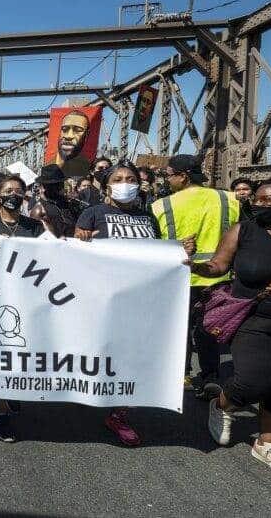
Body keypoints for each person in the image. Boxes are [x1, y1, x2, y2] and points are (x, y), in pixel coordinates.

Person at [76, 161, 195, 446]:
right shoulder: (93, 213)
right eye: (118, 179)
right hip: (104, 298)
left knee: (135, 354)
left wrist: (178, 251)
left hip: (141, 299)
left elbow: (155, 253)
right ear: (107, 185)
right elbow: (75, 254)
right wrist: (80, 238)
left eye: (131, 179)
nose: (125, 184)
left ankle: (119, 413)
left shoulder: (147, 217)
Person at [187, 177, 271, 481]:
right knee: (253, 381)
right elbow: (218, 266)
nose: (259, 204)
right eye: (257, 198)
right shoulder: (243, 230)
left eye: (268, 200)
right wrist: (194, 264)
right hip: (250, 319)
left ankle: (268, 445)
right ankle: (222, 405)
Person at [151, 155, 240, 396]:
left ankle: (181, 375)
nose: (167, 180)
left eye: (169, 175)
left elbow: (155, 244)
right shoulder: (229, 199)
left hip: (178, 276)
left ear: (183, 177)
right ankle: (210, 376)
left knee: (178, 329)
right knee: (209, 330)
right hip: (218, 277)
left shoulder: (161, 205)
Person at [0, 174, 46, 442]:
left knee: (21, 351)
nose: (13, 195)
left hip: (26, 298)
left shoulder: (35, 226)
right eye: (8, 191)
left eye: (18, 191)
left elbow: (53, 254)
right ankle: (2, 411)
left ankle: (13, 390)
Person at [29, 164, 87, 238]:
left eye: (61, 183)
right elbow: (41, 237)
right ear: (44, 186)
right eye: (54, 185)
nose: (59, 187)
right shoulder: (39, 210)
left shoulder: (67, 203)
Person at [53, 109, 93, 177]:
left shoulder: (88, 169)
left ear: (87, 135)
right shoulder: (48, 167)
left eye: (78, 130)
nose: (69, 136)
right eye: (64, 129)